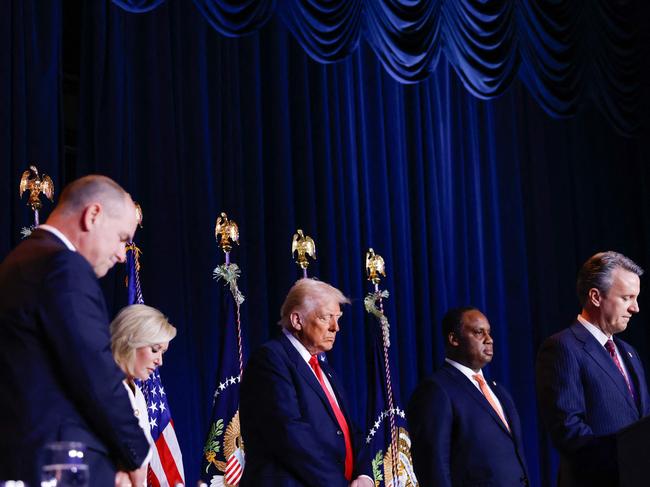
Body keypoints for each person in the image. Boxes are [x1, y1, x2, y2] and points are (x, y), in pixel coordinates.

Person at [0, 175, 150, 487]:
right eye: (123, 238)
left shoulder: (19, 261)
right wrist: (136, 457)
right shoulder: (64, 267)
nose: (123, 254)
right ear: (93, 215)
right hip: (61, 465)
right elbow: (95, 375)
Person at [239, 278, 373, 487]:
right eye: (326, 317)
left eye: (338, 318)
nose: (335, 327)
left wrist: (365, 476)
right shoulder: (270, 359)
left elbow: (349, 430)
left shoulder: (323, 368)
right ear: (297, 320)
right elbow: (290, 433)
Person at [536, 251, 649, 487]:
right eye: (627, 298)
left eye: (636, 298)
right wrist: (624, 461)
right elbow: (568, 429)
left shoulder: (629, 352)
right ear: (596, 297)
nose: (635, 308)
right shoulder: (562, 347)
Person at [407, 307, 529, 487]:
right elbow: (433, 466)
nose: (489, 340)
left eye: (489, 332)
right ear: (454, 339)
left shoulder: (499, 391)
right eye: (479, 333)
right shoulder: (436, 390)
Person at [110, 303, 177, 486]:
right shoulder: (105, 388)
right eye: (155, 350)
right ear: (130, 341)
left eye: (162, 352)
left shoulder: (137, 393)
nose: (159, 361)